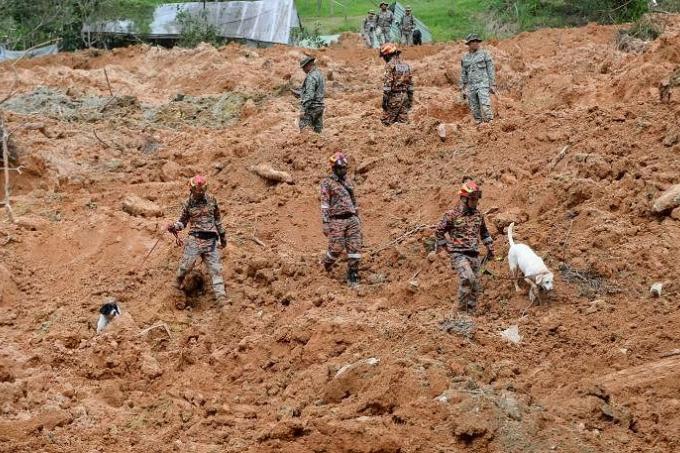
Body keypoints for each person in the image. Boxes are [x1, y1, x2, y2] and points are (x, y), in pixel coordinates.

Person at [167, 175, 228, 307]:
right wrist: (174, 227)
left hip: (210, 241)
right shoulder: (188, 203)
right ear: (191, 189)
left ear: (205, 188)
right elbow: (182, 222)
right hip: (194, 240)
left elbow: (218, 221)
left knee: (216, 271)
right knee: (184, 268)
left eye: (202, 189)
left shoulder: (212, 200)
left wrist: (223, 238)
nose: (199, 191)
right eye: (197, 189)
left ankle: (222, 301)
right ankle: (176, 292)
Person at [434, 179, 495, 312]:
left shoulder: (479, 215)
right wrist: (445, 246)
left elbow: (484, 232)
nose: (475, 202)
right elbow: (439, 231)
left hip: (475, 255)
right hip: (459, 254)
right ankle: (460, 311)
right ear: (464, 199)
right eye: (472, 199)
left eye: (476, 199)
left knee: (475, 286)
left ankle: (470, 314)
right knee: (468, 278)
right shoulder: (452, 215)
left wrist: (489, 245)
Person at [320, 152, 363, 286]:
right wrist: (326, 222)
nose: (343, 170)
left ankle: (353, 275)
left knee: (355, 247)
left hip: (352, 219)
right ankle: (324, 266)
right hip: (337, 220)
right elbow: (325, 203)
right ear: (334, 168)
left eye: (345, 167)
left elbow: (353, 200)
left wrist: (357, 216)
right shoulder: (327, 183)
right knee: (336, 248)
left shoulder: (348, 181)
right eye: (341, 168)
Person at [460, 34, 496, 124]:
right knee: (474, 108)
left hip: (483, 84)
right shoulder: (465, 58)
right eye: (473, 42)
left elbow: (490, 70)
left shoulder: (485, 54)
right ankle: (479, 126)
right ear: (469, 44)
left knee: (485, 106)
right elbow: (463, 73)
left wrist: (493, 84)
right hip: (471, 86)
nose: (475, 43)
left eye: (477, 41)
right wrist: (462, 88)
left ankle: (490, 124)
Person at [379, 43, 413, 126]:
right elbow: (410, 85)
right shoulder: (405, 65)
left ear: (387, 55)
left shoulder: (390, 65)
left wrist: (384, 100)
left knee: (385, 123)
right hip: (405, 97)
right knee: (403, 123)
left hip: (394, 99)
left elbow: (388, 85)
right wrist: (410, 100)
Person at [295, 55, 325, 133]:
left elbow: (309, 95)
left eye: (303, 68)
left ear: (308, 65)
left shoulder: (311, 77)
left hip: (312, 108)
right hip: (320, 107)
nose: (303, 70)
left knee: (304, 129)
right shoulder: (319, 74)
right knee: (318, 132)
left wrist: (303, 109)